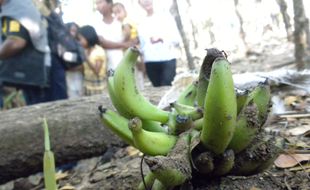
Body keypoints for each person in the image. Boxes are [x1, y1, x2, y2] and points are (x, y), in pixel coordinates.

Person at [0, 0, 67, 105]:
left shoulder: (16, 7)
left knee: (48, 113)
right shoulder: (15, 6)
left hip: (41, 72)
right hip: (36, 73)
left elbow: (16, 42)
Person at [138, 0, 180, 87]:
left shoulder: (166, 16)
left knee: (167, 86)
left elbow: (176, 39)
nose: (146, 1)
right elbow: (142, 46)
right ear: (139, 3)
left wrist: (162, 39)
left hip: (168, 59)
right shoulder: (141, 22)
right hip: (150, 61)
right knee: (157, 89)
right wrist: (142, 62)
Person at [112, 2, 144, 90]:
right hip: (136, 48)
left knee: (134, 71)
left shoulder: (125, 22)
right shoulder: (129, 21)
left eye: (119, 12)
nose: (117, 15)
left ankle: (138, 89)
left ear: (125, 11)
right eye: (114, 13)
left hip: (132, 49)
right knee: (136, 73)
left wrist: (121, 42)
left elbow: (127, 33)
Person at [95, 0, 126, 70]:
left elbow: (133, 40)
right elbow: (102, 43)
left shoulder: (121, 21)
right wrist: (125, 44)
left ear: (110, 4)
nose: (97, 6)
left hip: (126, 63)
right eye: (96, 4)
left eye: (100, 2)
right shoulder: (96, 25)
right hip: (108, 66)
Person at [77, 25, 107, 96]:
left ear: (88, 37)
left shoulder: (98, 51)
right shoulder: (86, 50)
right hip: (88, 84)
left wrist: (86, 57)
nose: (79, 42)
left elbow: (97, 71)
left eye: (81, 39)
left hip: (98, 86)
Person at [65, 22, 84, 99]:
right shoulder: (63, 44)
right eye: (71, 30)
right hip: (69, 75)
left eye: (75, 31)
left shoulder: (79, 44)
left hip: (80, 75)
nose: (73, 33)